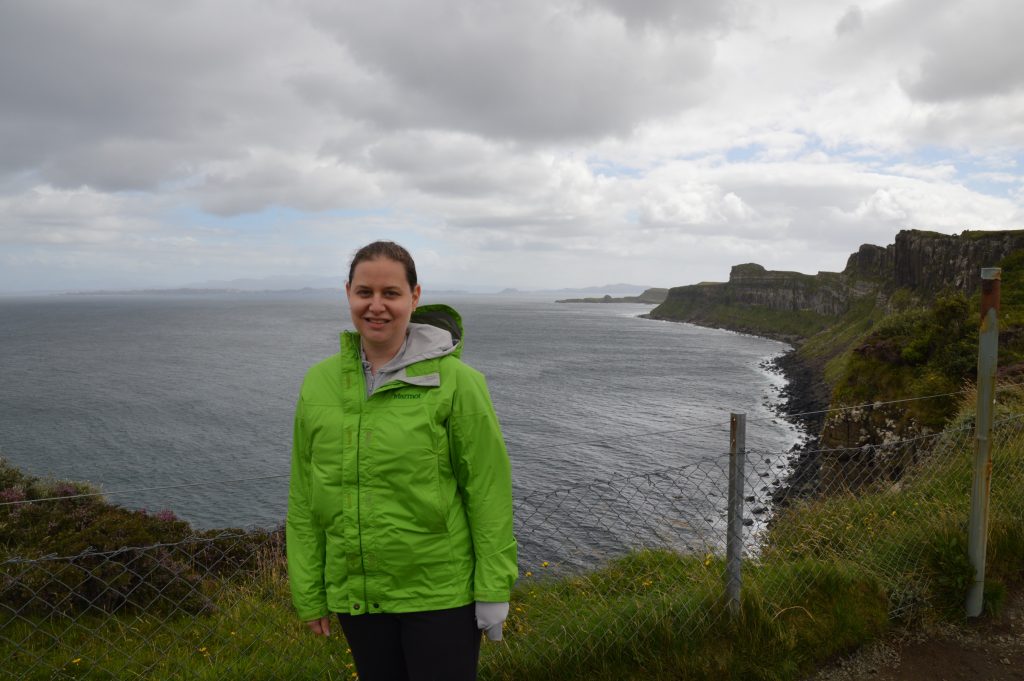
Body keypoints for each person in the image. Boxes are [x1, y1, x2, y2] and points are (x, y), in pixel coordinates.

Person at [287, 240, 518, 681]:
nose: (376, 306)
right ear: (348, 293)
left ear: (414, 296)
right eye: (364, 292)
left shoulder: (457, 383)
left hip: (441, 596)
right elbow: (305, 495)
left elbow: (487, 491)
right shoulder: (319, 383)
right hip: (360, 595)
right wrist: (310, 590)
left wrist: (492, 587)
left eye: (391, 293)